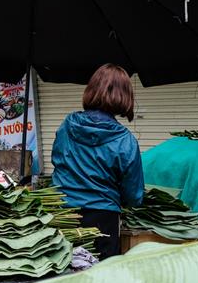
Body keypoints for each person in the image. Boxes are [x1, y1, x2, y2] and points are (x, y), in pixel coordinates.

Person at [51, 64, 144, 259]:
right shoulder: (125, 140)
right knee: (98, 280)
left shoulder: (67, 125)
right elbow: (134, 195)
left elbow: (58, 162)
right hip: (103, 219)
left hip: (63, 213)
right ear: (125, 96)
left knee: (65, 274)